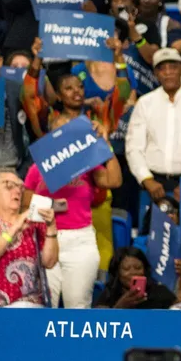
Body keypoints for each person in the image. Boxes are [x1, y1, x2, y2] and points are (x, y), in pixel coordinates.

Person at [23, 116, 122, 309]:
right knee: (44, 306)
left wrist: (105, 144)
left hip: (80, 242)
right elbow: (25, 204)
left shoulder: (88, 165)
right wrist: (54, 205)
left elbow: (114, 181)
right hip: (44, 240)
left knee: (78, 306)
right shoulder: (37, 169)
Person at [125, 48, 181, 203]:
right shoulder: (145, 103)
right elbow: (133, 147)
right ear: (156, 74)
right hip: (153, 185)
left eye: (173, 67)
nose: (168, 72)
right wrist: (146, 178)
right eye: (162, 69)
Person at [0, 169, 57, 307]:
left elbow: (49, 262)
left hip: (33, 306)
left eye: (20, 187)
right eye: (9, 185)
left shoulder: (35, 224)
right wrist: (14, 227)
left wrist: (51, 227)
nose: (17, 191)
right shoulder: (19, 223)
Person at [94, 247, 178, 309]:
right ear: (117, 273)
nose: (133, 273)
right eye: (126, 269)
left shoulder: (161, 292)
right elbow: (100, 323)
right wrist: (119, 307)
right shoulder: (108, 294)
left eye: (138, 268)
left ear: (145, 270)